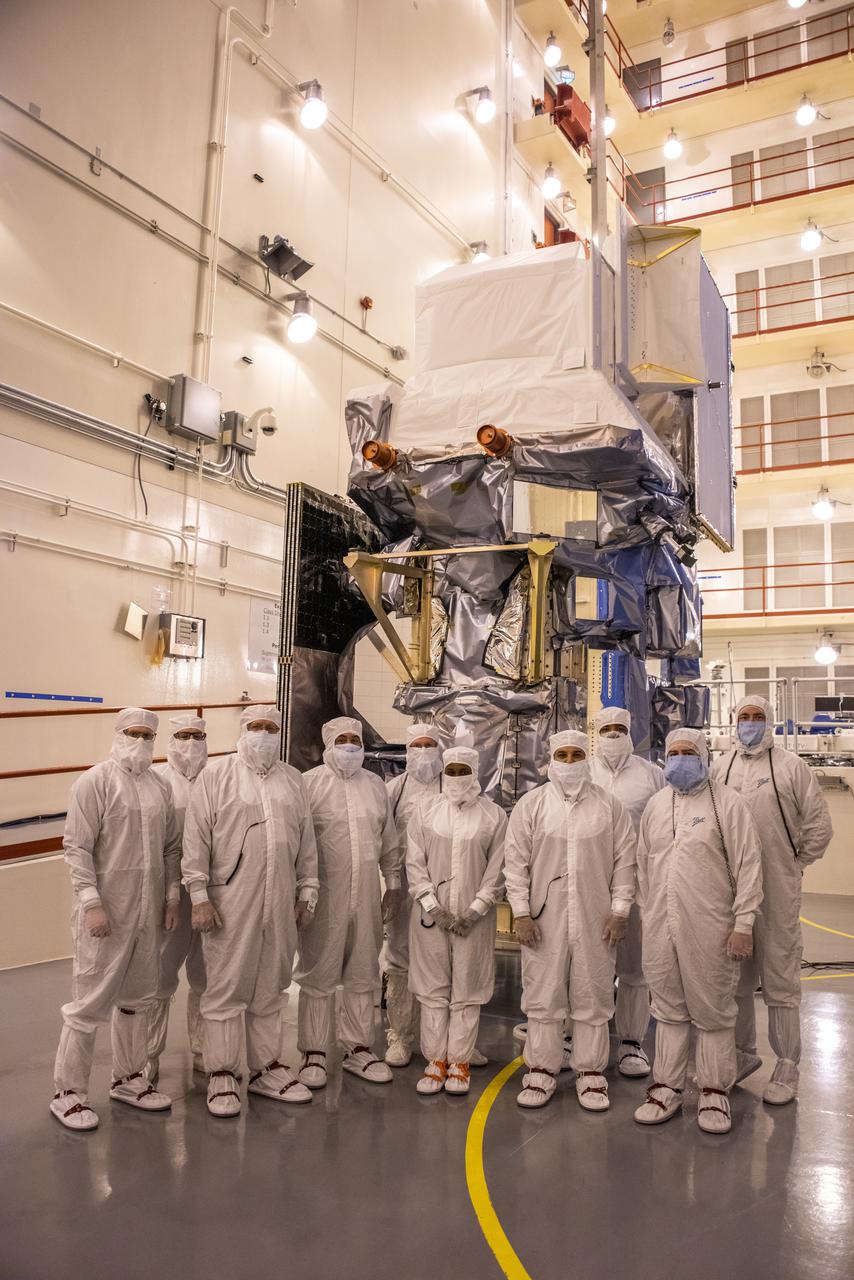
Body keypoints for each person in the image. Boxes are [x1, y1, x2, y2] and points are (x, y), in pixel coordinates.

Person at [182, 705, 319, 1117]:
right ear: (243, 731)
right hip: (230, 901)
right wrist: (198, 896)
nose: (263, 734)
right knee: (226, 985)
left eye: (270, 727)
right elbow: (196, 840)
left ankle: (266, 1068)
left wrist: (307, 890)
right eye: (256, 727)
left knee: (271, 984)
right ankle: (222, 1072)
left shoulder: (292, 779)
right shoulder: (216, 776)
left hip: (280, 900)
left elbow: (306, 841)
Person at [50, 708, 180, 1130]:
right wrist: (91, 902)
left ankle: (128, 1078)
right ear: (118, 734)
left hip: (147, 913)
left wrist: (171, 897)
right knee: (88, 1004)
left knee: (137, 1001)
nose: (140, 741)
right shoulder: (95, 782)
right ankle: (68, 1093)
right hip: (107, 912)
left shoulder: (160, 787)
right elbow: (77, 846)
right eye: (133, 733)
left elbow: (171, 848)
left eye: (147, 735)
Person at [634, 728, 763, 1135]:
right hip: (660, 924)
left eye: (688, 753)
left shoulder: (728, 804)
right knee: (668, 1008)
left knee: (713, 1010)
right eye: (673, 753)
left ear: (704, 756)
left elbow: (748, 866)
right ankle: (667, 1086)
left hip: (711, 924)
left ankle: (713, 1090)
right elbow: (643, 865)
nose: (679, 760)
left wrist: (743, 924)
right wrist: (648, 914)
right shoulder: (657, 805)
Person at [505, 729, 636, 1111]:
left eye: (576, 755)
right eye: (561, 755)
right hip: (543, 922)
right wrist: (521, 913)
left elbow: (625, 862)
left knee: (593, 993)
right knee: (543, 995)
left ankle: (591, 1072)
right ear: (551, 759)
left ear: (586, 758)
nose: (568, 762)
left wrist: (620, 910)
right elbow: (515, 864)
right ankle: (541, 1070)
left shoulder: (609, 806)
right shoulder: (532, 805)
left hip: (597, 918)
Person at [711, 695, 832, 1105]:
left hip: (777, 887)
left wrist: (794, 864)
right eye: (743, 716)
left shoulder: (791, 767)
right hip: (728, 888)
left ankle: (787, 1064)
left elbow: (819, 825)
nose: (749, 723)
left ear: (771, 721)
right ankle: (741, 1054)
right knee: (735, 977)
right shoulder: (721, 767)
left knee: (780, 977)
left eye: (757, 717)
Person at [295, 717, 404, 1088]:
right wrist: (300, 893)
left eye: (355, 741)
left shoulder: (375, 786)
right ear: (328, 744)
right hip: (322, 895)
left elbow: (389, 841)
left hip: (367, 893)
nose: (350, 747)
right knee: (318, 972)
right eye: (342, 740)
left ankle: (358, 1047)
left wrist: (393, 884)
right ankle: (314, 1051)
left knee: (362, 971)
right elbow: (298, 844)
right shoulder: (307, 785)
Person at [406, 745, 506, 1095]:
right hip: (430, 917)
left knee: (467, 988)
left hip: (474, 919)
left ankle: (460, 1062)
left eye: (464, 771)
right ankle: (435, 1061)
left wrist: (477, 908)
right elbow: (414, 861)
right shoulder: (426, 810)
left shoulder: (493, 815)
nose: (458, 777)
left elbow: (498, 867)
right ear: (444, 772)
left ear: (475, 772)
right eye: (452, 771)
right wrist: (432, 905)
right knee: (433, 989)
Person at [589, 705, 665, 1078]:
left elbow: (664, 824)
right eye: (607, 729)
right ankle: (579, 1036)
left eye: (620, 728)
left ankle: (631, 1043)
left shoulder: (652, 775)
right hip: (590, 883)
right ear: (596, 734)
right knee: (587, 962)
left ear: (630, 731)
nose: (614, 735)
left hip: (637, 884)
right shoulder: (582, 771)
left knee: (635, 967)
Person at [146, 714, 208, 1082]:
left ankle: (203, 1049)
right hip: (169, 894)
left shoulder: (218, 780)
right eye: (183, 736)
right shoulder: (157, 782)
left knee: (207, 973)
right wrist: (170, 894)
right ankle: (147, 1054)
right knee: (160, 973)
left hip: (210, 894)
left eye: (197, 736)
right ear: (170, 740)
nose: (190, 743)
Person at [382, 723, 442, 1068]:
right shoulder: (394, 790)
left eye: (429, 745)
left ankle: (448, 1042)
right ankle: (400, 1036)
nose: (423, 752)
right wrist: (391, 886)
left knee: (443, 959)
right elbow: (386, 840)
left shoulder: (454, 783)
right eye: (416, 746)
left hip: (446, 886)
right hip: (404, 888)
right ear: (406, 751)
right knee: (399, 957)